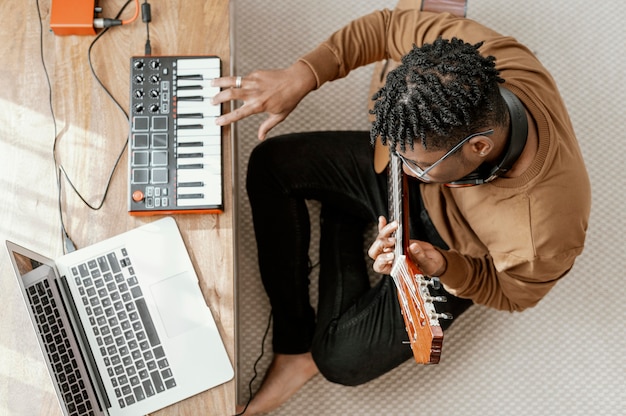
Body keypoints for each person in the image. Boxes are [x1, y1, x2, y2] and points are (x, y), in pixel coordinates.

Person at [212, 8, 591, 415]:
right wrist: (302, 75)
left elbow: (513, 294)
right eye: (394, 150)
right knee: (271, 163)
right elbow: (389, 27)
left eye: (415, 163)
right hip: (439, 191)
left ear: (478, 146)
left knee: (339, 361)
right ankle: (293, 342)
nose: (400, 166)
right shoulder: (473, 58)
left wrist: (445, 266)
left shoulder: (543, 232)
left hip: (456, 247)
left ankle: (341, 228)